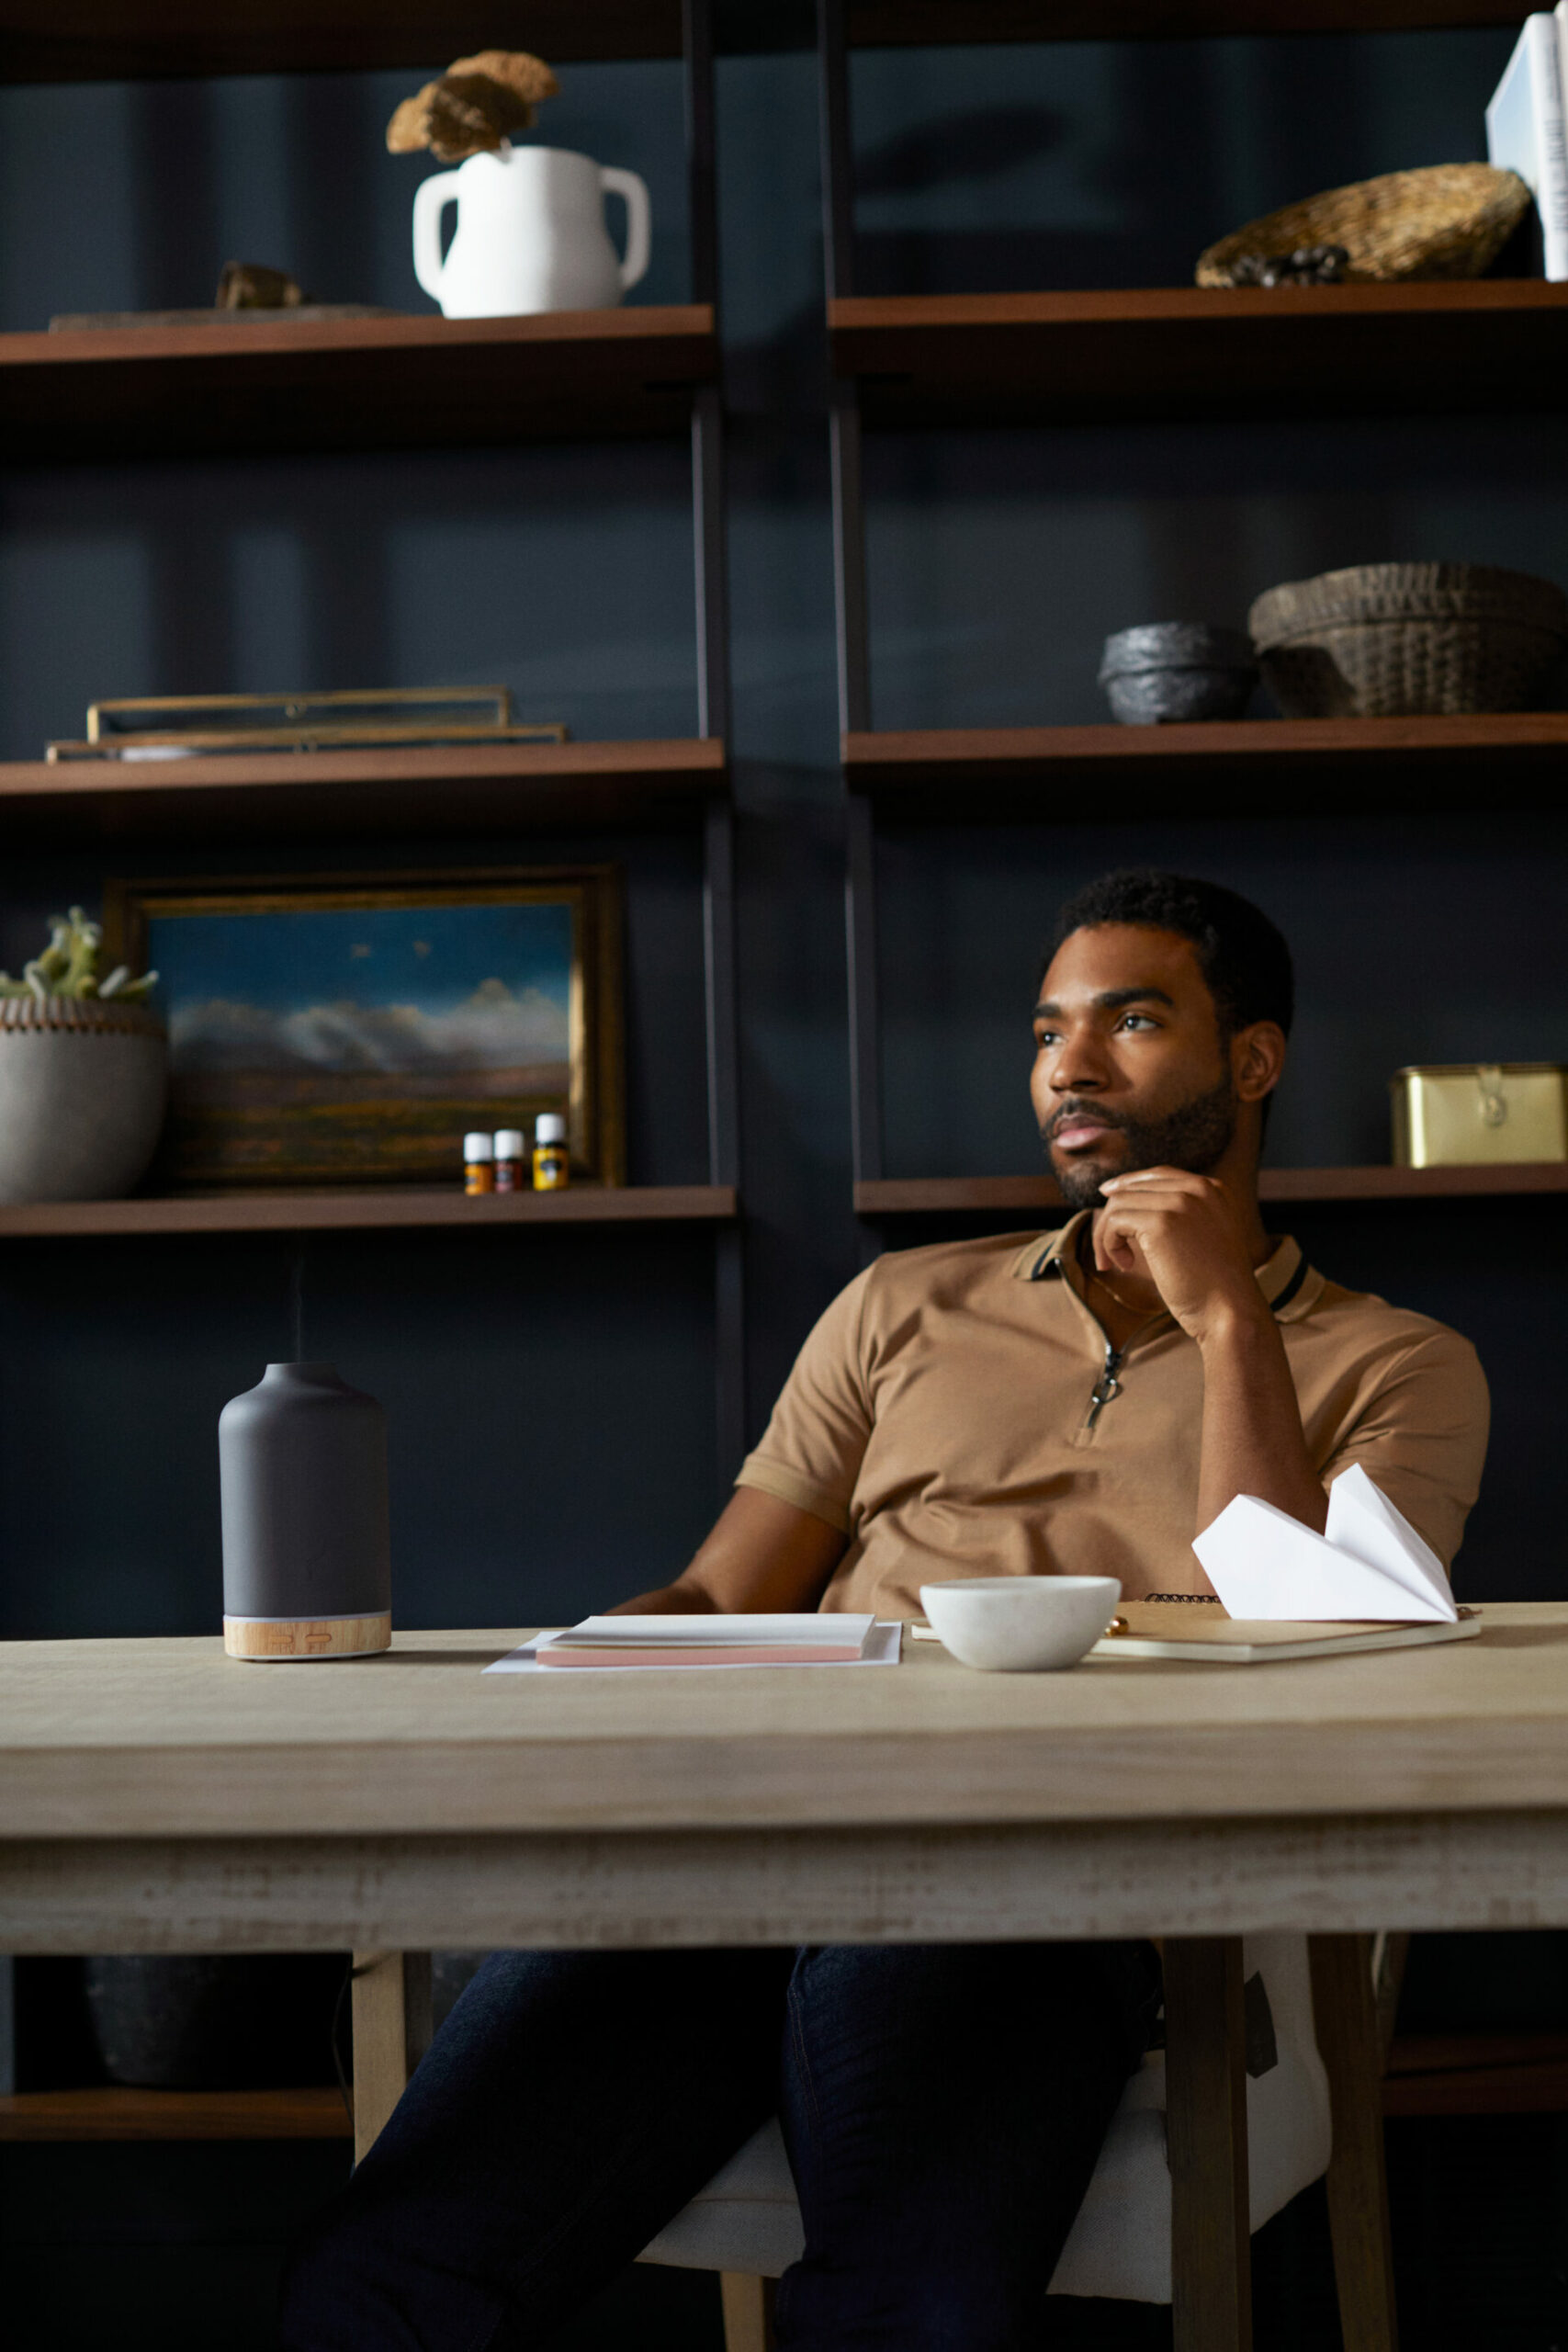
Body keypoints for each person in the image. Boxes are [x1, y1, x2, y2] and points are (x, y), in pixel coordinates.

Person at [281, 868, 1488, 2352]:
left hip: (1059, 1884)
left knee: (907, 2311)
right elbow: (725, 1594)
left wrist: (1229, 1315)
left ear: (1253, 1060)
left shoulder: (1401, 1365)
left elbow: (1324, 1651)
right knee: (384, 2275)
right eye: (1047, 1031)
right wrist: (564, 1689)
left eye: (1131, 1020)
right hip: (745, 1850)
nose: (1071, 1065)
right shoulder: (899, 1307)